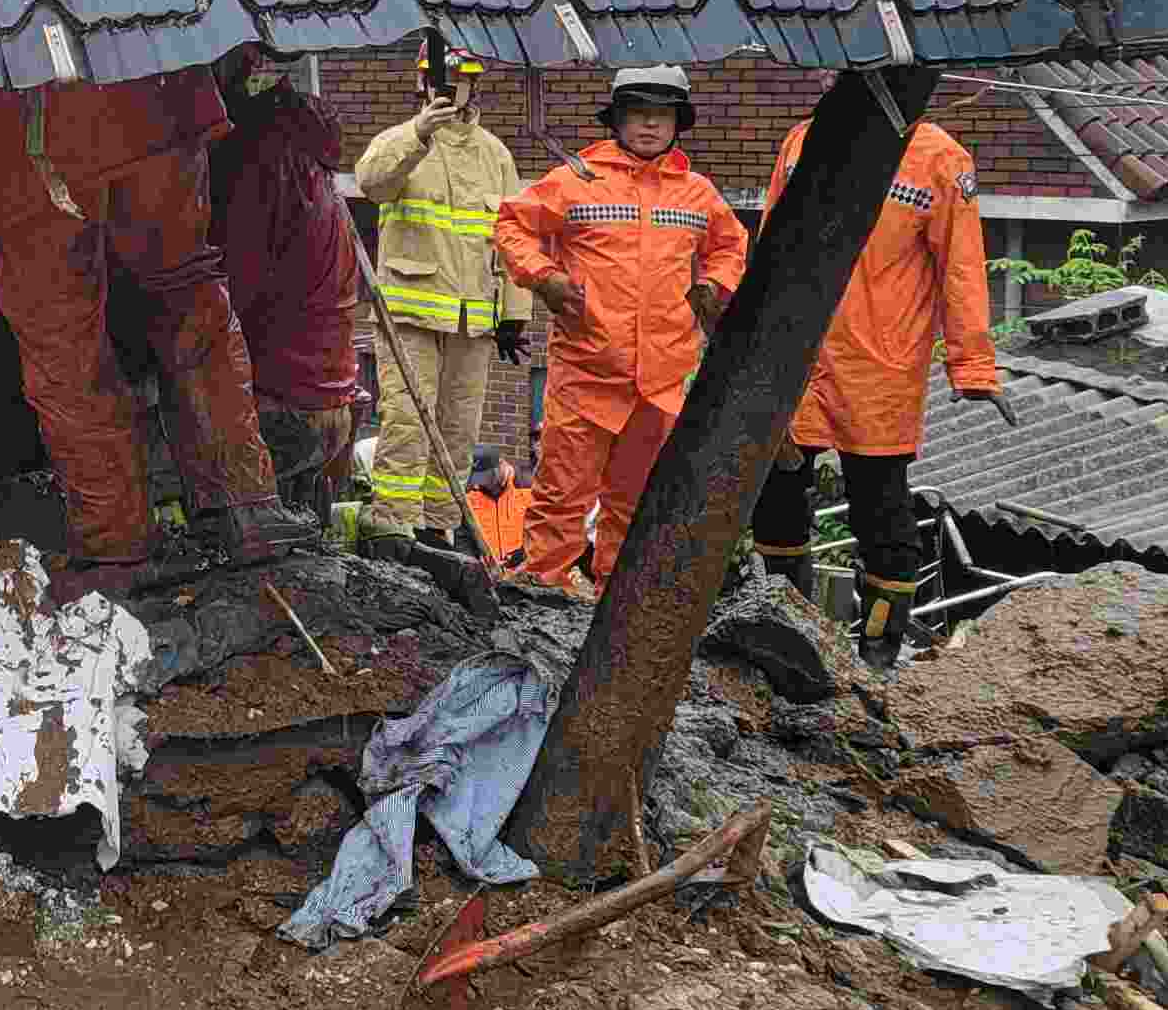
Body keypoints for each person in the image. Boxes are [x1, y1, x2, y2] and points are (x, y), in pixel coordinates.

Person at [0, 67, 311, 580]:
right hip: (151, 94)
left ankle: (115, 537)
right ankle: (246, 502)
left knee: (62, 336)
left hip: (22, 132)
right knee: (185, 286)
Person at [751, 108, 1017, 668]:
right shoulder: (804, 138)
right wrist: (752, 342)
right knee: (776, 492)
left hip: (879, 365)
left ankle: (877, 651)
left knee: (881, 509)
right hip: (797, 356)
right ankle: (784, 634)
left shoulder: (940, 159)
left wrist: (972, 367)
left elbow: (962, 268)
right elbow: (770, 242)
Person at [490, 65, 748, 591]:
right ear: (617, 121)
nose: (650, 126)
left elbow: (731, 245)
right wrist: (546, 279)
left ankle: (615, 601)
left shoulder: (697, 193)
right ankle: (542, 590)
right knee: (562, 494)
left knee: (637, 502)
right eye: (638, 114)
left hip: (660, 380)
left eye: (662, 115)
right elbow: (512, 225)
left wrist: (714, 284)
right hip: (588, 371)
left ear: (679, 123)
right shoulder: (576, 179)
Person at [348, 36, 524, 547]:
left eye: (460, 82)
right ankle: (392, 528)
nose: (450, 91)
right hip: (410, 315)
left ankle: (438, 531)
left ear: (473, 87)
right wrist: (417, 135)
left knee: (457, 431)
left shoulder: (496, 156)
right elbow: (371, 182)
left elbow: (514, 237)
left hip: (474, 321)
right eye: (440, 81)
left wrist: (513, 313)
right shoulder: (401, 142)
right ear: (421, 84)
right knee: (406, 422)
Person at [211, 45, 365, 520]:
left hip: (284, 405)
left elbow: (230, 293)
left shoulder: (265, 165)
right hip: (330, 401)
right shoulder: (312, 167)